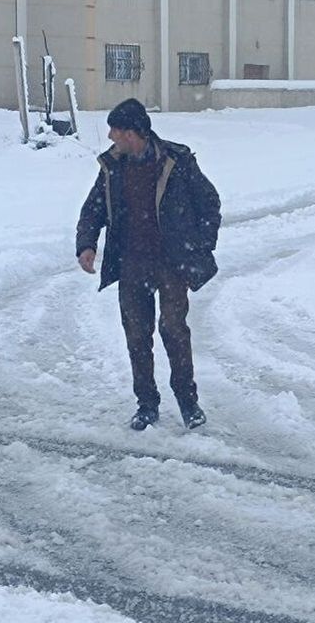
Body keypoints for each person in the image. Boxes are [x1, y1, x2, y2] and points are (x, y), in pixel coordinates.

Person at [75, 98, 222, 430]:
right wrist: (86, 244)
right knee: (137, 336)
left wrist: (199, 246)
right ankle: (146, 404)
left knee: (174, 332)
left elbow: (209, 203)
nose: (110, 136)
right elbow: (93, 208)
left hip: (171, 264)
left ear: (132, 132)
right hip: (131, 264)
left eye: (115, 130)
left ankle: (188, 402)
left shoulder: (176, 162)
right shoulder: (114, 166)